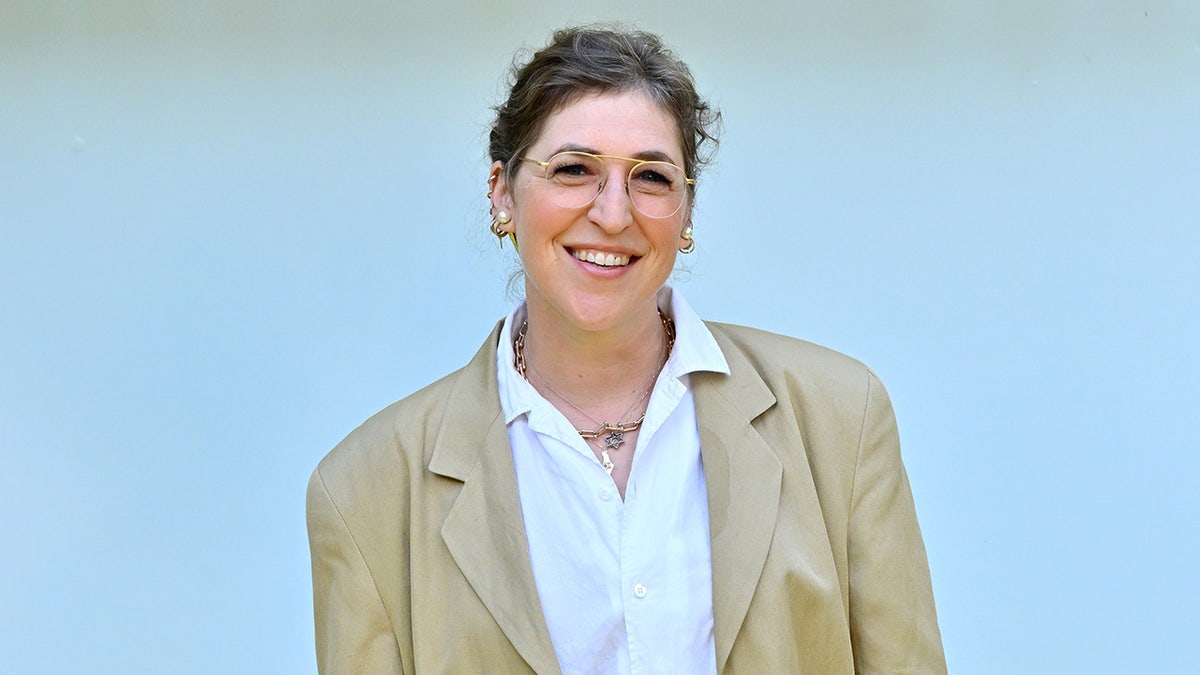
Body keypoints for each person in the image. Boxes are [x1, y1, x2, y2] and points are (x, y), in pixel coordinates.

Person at [306, 25, 946, 674]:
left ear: (687, 210)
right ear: (502, 193)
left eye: (651, 177)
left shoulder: (841, 419)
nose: (614, 214)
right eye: (574, 169)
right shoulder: (365, 489)